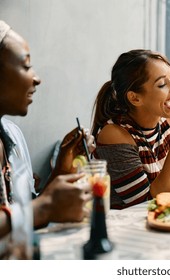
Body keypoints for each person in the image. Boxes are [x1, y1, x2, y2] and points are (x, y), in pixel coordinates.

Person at [0, 20, 94, 259]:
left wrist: (62, 171)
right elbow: (35, 211)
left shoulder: (11, 136)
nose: (36, 78)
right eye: (26, 65)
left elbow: (26, 212)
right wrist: (44, 208)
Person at [91, 49, 170, 209]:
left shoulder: (167, 122)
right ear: (135, 98)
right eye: (162, 84)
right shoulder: (114, 134)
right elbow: (148, 204)